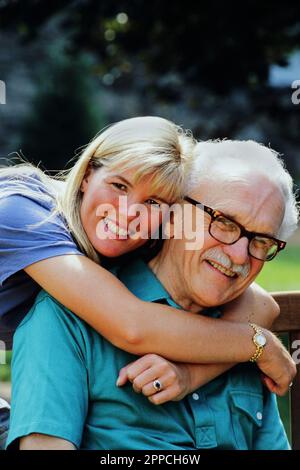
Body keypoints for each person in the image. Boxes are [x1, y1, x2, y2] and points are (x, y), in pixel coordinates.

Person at [6, 139, 298, 450]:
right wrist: (258, 343)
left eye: (261, 241)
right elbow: (133, 326)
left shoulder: (241, 325)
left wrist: (201, 367)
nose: (240, 256)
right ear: (173, 214)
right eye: (224, 223)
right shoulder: (65, 314)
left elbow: (261, 303)